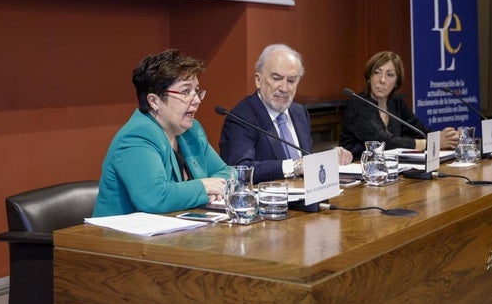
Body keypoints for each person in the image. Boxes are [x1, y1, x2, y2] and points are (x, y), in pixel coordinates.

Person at [92, 49, 229, 217]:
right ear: (154, 101)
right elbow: (155, 198)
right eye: (186, 92)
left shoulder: (191, 131)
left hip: (175, 232)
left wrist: (215, 188)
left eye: (197, 91)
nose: (197, 100)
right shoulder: (137, 137)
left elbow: (227, 172)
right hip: (118, 239)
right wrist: (204, 187)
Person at [219, 43, 352, 183]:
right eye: (276, 79)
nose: (284, 88)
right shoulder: (241, 117)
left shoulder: (299, 112)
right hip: (268, 201)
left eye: (291, 81)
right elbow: (240, 169)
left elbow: (306, 163)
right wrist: (294, 167)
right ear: (258, 80)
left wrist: (329, 158)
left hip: (306, 198)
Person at [339, 51, 458, 159]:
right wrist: (433, 143)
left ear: (397, 82)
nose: (382, 80)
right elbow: (384, 143)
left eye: (390, 75)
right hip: (358, 172)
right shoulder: (358, 103)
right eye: (377, 73)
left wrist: (449, 138)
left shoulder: (395, 101)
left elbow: (419, 130)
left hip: (391, 170)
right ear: (369, 77)